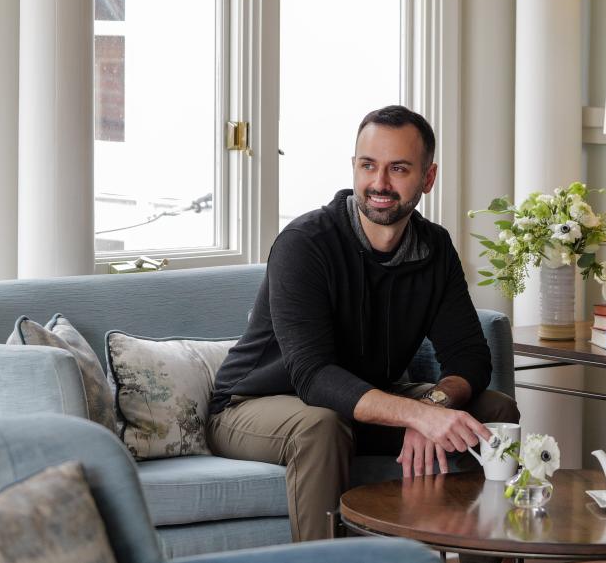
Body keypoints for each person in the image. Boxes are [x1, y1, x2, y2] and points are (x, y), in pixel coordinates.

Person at [207, 105, 520, 542]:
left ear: (427, 179)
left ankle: (479, 551)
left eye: (399, 169)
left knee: (494, 410)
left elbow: (469, 356)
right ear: (354, 168)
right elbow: (314, 378)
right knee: (320, 425)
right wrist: (415, 415)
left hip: (358, 404)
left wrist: (432, 408)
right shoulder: (305, 244)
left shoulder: (434, 247)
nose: (380, 183)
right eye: (368, 166)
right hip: (253, 405)